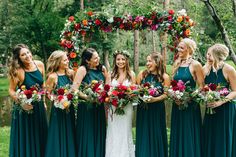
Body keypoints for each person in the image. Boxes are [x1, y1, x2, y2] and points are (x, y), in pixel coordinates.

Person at [8, 44, 48, 157]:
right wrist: (21, 102)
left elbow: (43, 85)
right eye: (23, 55)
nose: (27, 56)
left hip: (39, 107)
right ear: (19, 58)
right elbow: (11, 90)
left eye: (28, 52)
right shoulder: (18, 71)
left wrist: (44, 101)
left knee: (40, 134)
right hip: (25, 109)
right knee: (28, 136)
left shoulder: (39, 65)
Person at [169, 38, 204, 157]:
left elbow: (201, 86)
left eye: (181, 48)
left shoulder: (196, 65)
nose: (178, 50)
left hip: (190, 105)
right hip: (177, 104)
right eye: (178, 47)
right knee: (178, 131)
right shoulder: (177, 63)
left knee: (188, 132)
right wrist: (173, 95)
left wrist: (189, 96)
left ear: (189, 49)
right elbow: (171, 84)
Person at [73, 48, 109, 157]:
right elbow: (74, 89)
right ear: (88, 60)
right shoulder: (82, 70)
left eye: (98, 56)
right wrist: (87, 97)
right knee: (88, 133)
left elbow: (107, 86)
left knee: (99, 132)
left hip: (99, 107)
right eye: (95, 58)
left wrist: (104, 94)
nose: (98, 59)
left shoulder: (102, 69)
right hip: (86, 107)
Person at [202, 44, 236, 157]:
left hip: (225, 110)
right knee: (209, 136)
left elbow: (235, 91)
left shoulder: (229, 70)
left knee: (222, 137)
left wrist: (220, 102)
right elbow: (201, 89)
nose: (207, 57)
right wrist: (204, 95)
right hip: (210, 109)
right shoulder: (205, 69)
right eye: (207, 54)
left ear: (217, 56)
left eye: (210, 55)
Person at [136, 52, 170, 157]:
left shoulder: (164, 77)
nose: (147, 63)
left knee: (156, 133)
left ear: (157, 62)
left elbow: (166, 95)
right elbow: (136, 90)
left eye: (150, 61)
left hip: (157, 109)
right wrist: (141, 92)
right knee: (144, 133)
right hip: (143, 109)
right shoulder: (142, 74)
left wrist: (155, 99)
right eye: (147, 61)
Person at [45, 50, 76, 157]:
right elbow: (47, 94)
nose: (67, 61)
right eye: (65, 60)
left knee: (70, 132)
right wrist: (58, 99)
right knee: (57, 134)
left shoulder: (71, 73)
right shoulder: (53, 76)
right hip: (58, 110)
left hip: (69, 109)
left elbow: (75, 89)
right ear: (58, 62)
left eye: (67, 59)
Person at [105, 50, 136, 157]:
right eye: (118, 59)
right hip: (113, 107)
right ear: (115, 60)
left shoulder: (131, 74)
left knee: (125, 130)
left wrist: (128, 97)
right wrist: (112, 97)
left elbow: (134, 91)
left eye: (123, 59)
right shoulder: (110, 74)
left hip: (126, 107)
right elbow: (106, 91)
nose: (120, 61)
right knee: (113, 130)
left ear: (127, 60)